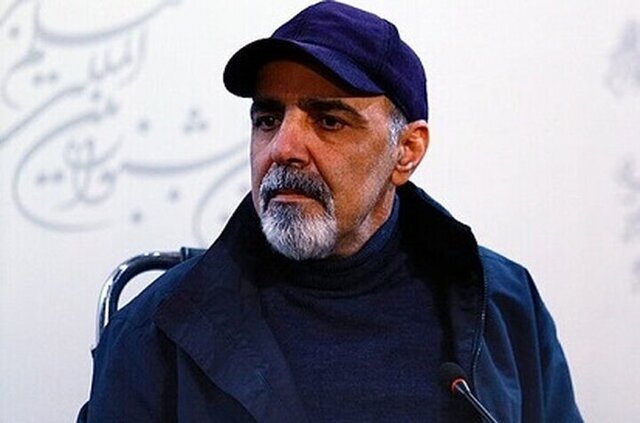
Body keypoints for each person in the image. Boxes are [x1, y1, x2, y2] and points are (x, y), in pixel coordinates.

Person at [78, 2, 582, 422]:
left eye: (329, 121)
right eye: (268, 118)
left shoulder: (504, 303)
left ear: (406, 151)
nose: (283, 148)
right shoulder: (157, 329)